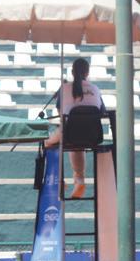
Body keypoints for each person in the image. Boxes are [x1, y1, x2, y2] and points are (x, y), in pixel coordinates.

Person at [43, 57, 105, 199]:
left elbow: (61, 114)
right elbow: (102, 112)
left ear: (72, 72)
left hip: (69, 134)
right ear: (87, 73)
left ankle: (58, 179)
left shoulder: (64, 88)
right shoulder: (95, 89)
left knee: (48, 143)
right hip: (93, 136)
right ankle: (79, 179)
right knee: (78, 144)